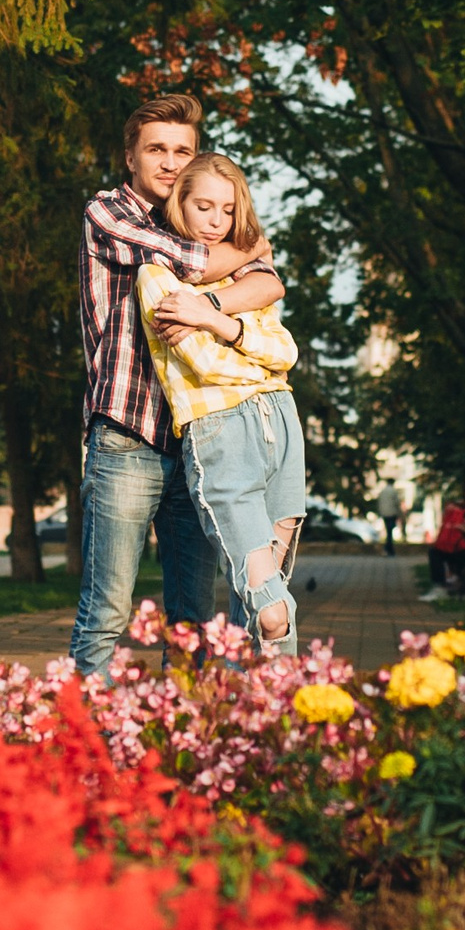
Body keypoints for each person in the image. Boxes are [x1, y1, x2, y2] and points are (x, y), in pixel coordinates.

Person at [71, 95, 283, 677]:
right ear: (130, 156)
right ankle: (77, 747)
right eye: (156, 149)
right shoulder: (107, 213)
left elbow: (267, 282)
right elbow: (189, 259)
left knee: (195, 617)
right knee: (107, 609)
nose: (169, 162)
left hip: (203, 444)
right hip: (127, 437)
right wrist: (241, 254)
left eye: (182, 150)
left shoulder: (201, 216)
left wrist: (208, 309)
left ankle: (183, 744)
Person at [137, 153, 306, 648]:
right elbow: (205, 365)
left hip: (281, 421)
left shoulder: (245, 276)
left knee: (267, 599)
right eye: (203, 207)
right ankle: (257, 708)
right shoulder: (158, 276)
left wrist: (213, 319)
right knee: (270, 607)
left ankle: (271, 714)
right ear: (179, 206)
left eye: (227, 210)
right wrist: (248, 340)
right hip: (220, 427)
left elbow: (287, 351)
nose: (216, 221)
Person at [428, 484, 465, 594]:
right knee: (435, 552)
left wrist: (462, 528)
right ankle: (442, 583)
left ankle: (444, 583)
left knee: (437, 554)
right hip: (458, 546)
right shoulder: (464, 507)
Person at [373, 478, 406, 556]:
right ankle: (389, 549)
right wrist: (399, 513)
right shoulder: (393, 491)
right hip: (392, 513)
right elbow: (397, 503)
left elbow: (379, 502)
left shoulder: (383, 491)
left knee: (389, 531)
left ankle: (388, 549)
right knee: (390, 532)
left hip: (384, 514)